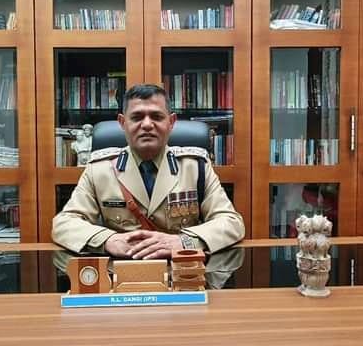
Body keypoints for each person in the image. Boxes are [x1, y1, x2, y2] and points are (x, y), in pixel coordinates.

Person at [52, 84, 244, 259]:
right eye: (137, 117)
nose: (146, 125)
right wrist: (107, 240)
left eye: (156, 117)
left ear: (171, 122)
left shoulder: (195, 166)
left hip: (182, 271)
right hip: (123, 272)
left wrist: (184, 241)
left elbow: (231, 222)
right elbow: (64, 224)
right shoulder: (100, 169)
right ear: (122, 123)